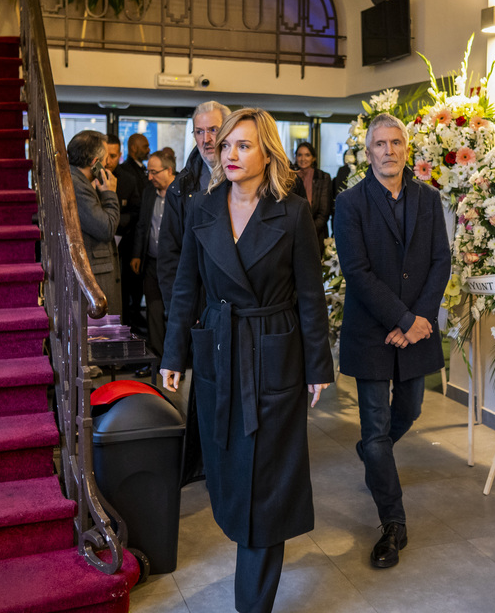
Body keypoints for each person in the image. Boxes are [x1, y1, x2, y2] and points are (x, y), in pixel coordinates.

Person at [161, 108, 333, 613]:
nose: (230, 153)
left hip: (274, 352)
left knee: (267, 482)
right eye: (227, 144)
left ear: (268, 154)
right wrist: (175, 353)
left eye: (243, 145)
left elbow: (309, 295)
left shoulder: (293, 212)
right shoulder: (204, 207)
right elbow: (186, 288)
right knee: (230, 473)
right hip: (219, 348)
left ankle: (251, 604)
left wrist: (319, 365)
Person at [333, 112, 450, 570]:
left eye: (395, 142)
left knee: (411, 410)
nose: (389, 150)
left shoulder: (428, 199)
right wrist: (402, 317)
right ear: (368, 153)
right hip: (372, 331)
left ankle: (372, 455)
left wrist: (419, 319)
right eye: (379, 144)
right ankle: (393, 523)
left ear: (407, 148)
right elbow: (357, 271)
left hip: (416, 330)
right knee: (376, 430)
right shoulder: (350, 203)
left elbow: (441, 261)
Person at [158, 101, 231, 486]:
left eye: (213, 130)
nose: (206, 139)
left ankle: (225, 462)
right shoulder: (183, 187)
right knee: (204, 388)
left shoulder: (247, 179)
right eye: (199, 132)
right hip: (198, 309)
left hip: (238, 307)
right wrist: (178, 313)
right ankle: (203, 464)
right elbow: (170, 258)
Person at [130, 149, 176, 377]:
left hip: (176, 267)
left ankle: (177, 361)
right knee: (153, 311)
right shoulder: (149, 193)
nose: (149, 177)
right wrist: (137, 254)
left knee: (176, 313)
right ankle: (157, 359)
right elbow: (142, 226)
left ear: (169, 170)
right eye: (148, 172)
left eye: (154, 172)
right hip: (151, 263)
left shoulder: (182, 194)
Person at [67, 130, 122, 316]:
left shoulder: (79, 180)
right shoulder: (76, 185)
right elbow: (106, 228)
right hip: (94, 274)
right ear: (94, 162)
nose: (107, 164)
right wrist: (109, 193)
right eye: (106, 158)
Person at [116, 133, 150, 329]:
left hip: (139, 235)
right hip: (127, 238)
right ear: (133, 148)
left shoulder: (142, 171)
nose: (148, 149)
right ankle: (128, 320)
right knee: (128, 284)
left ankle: (134, 315)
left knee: (137, 284)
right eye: (144, 146)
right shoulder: (125, 173)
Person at [292, 141, 332, 254]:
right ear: (295, 157)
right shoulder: (289, 178)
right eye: (299, 155)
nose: (303, 158)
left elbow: (324, 213)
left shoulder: (323, 177)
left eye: (307, 155)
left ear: (313, 158)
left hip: (316, 234)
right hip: (292, 235)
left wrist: (308, 231)